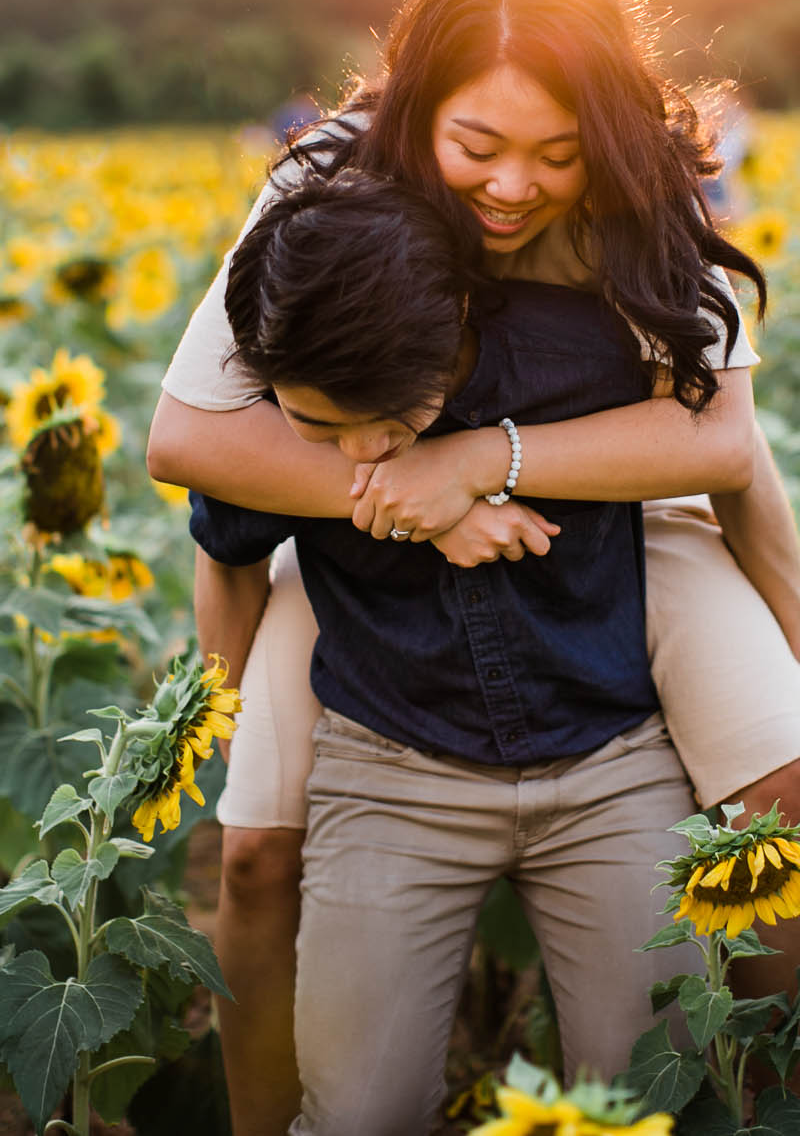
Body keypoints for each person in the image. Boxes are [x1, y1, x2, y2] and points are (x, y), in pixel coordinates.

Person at [145, 0, 800, 1133]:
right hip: (349, 504)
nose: (515, 186)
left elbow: (724, 447)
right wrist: (409, 487)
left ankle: (784, 1105)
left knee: (780, 770)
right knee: (255, 841)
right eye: (477, 149)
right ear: (414, 115)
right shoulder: (325, 180)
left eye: (554, 155)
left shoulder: (634, 186)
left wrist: (477, 462)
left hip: (607, 506)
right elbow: (190, 440)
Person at [193, 168, 704, 1132]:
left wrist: (471, 468)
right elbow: (224, 550)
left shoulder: (587, 363)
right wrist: (221, 721)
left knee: (652, 1099)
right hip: (392, 770)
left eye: (392, 419)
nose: (360, 456)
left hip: (608, 760)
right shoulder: (273, 414)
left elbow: (718, 442)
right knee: (358, 1117)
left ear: (458, 322)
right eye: (319, 426)